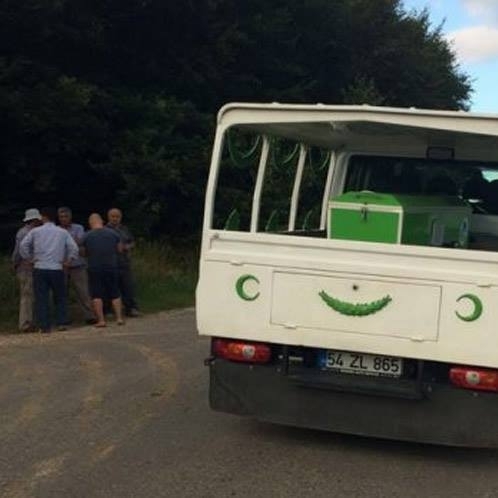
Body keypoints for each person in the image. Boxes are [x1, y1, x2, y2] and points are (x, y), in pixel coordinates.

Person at [20, 207, 79, 333]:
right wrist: (69, 260)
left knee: (42, 298)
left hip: (40, 267)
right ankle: (62, 322)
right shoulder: (62, 232)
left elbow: (23, 245)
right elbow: (74, 248)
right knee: (60, 297)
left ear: (44, 217)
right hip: (57, 267)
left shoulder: (36, 231)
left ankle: (44, 325)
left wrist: (29, 259)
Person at [80, 213, 124, 328]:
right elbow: (120, 249)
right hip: (111, 266)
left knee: (97, 294)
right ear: (102, 221)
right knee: (115, 292)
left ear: (90, 223)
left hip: (95, 267)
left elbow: (83, 253)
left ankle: (101, 320)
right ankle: (119, 318)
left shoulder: (86, 236)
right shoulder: (113, 233)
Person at [57, 207, 96, 324]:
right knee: (62, 292)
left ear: (70, 217)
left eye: (66, 216)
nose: (64, 219)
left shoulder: (78, 228)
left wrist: (66, 241)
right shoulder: (56, 229)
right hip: (61, 265)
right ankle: (63, 318)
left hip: (78, 264)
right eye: (61, 217)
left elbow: (80, 241)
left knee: (83, 291)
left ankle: (90, 315)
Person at [11, 208, 42, 332]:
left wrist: (14, 263)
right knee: (27, 295)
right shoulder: (25, 233)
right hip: (27, 267)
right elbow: (19, 251)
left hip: (29, 267)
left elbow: (16, 252)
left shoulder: (26, 232)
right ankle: (25, 323)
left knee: (30, 295)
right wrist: (15, 262)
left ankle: (30, 321)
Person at [106, 208, 140, 317]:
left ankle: (131, 308)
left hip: (124, 261)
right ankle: (110, 310)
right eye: (113, 216)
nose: (115, 219)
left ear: (120, 217)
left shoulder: (124, 229)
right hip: (111, 262)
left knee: (128, 286)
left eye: (117, 216)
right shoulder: (105, 230)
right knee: (111, 286)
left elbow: (132, 242)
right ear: (108, 217)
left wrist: (127, 247)